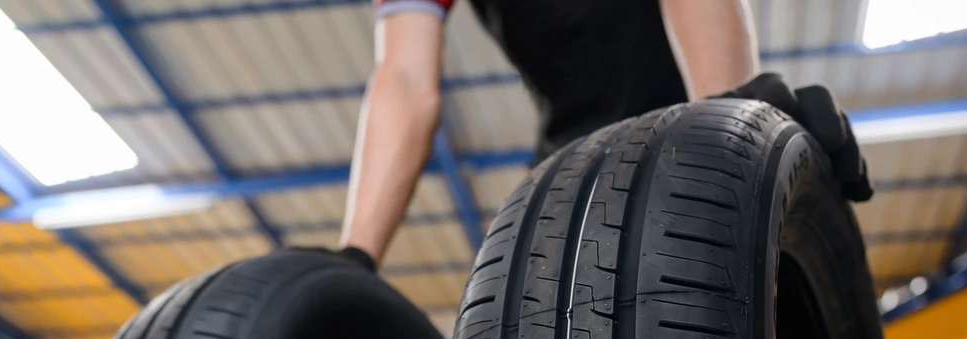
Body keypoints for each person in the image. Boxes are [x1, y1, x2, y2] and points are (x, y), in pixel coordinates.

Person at [337, 0, 871, 271]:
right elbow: (404, 79)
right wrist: (357, 256)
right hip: (567, 167)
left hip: (685, 123)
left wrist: (733, 133)